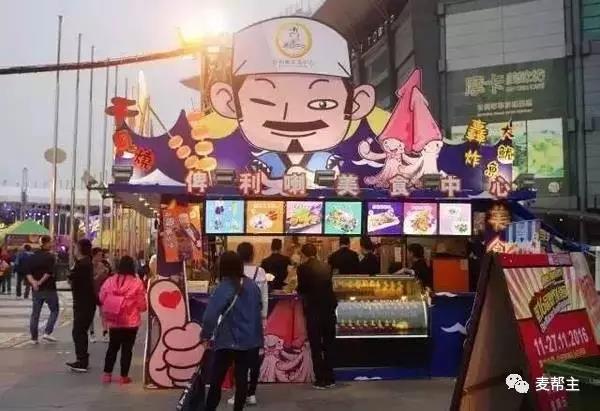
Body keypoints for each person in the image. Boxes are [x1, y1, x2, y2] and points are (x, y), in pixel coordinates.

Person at [202, 251, 263, 411]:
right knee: (241, 378)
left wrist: (205, 335)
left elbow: (210, 315)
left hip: (227, 340)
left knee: (216, 379)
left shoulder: (224, 287)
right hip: (249, 340)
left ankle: (210, 408)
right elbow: (259, 309)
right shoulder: (252, 286)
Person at [99, 255, 147, 384]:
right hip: (130, 322)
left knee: (112, 347)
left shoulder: (110, 281)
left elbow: (101, 297)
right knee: (127, 349)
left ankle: (107, 375)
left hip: (114, 320)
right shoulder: (137, 282)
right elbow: (142, 305)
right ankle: (123, 376)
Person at [232, 242, 268, 406]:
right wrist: (264, 317)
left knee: (238, 359)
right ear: (252, 254)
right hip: (255, 320)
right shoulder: (260, 272)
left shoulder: (234, 273)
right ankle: (251, 393)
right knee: (254, 357)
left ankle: (238, 393)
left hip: (237, 320)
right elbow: (264, 298)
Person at [297, 243, 337, 389]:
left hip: (314, 310)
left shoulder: (302, 268)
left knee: (316, 346)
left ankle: (320, 379)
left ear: (304, 254)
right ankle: (330, 377)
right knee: (329, 345)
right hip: (329, 310)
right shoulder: (327, 266)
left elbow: (302, 288)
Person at [67, 239, 97, 372]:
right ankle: (82, 359)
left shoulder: (82, 264)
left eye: (75, 248)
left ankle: (82, 361)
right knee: (80, 331)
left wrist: (71, 275)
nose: (73, 250)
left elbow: (71, 278)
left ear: (79, 249)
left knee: (78, 331)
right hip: (84, 302)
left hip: (83, 303)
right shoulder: (85, 262)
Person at [26, 235, 59, 344]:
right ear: (46, 243)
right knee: (54, 310)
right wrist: (39, 282)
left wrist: (34, 283)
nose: (52, 244)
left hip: (36, 290)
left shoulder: (32, 257)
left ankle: (34, 338)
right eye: (51, 242)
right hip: (49, 288)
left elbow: (28, 272)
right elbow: (49, 272)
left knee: (35, 314)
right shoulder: (50, 257)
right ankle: (47, 332)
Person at [89, 247, 111, 343]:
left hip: (101, 292)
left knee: (103, 313)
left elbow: (106, 279)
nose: (100, 257)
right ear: (93, 256)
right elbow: (90, 280)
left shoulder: (102, 265)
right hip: (91, 292)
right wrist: (99, 274)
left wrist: (106, 272)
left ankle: (105, 333)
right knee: (91, 314)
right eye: (98, 255)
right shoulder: (89, 266)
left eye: (101, 255)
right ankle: (92, 333)